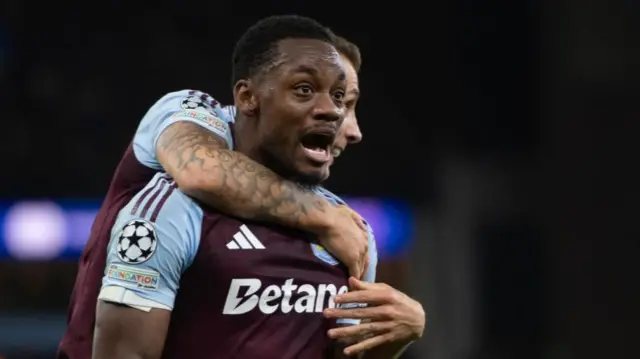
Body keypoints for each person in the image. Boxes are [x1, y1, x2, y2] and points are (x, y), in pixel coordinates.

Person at [92, 15, 424, 359]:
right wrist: (325, 217)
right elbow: (200, 171)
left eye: (341, 97)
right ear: (248, 97)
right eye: (305, 89)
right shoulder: (175, 194)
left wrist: (393, 341)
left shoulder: (353, 233)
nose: (341, 120)